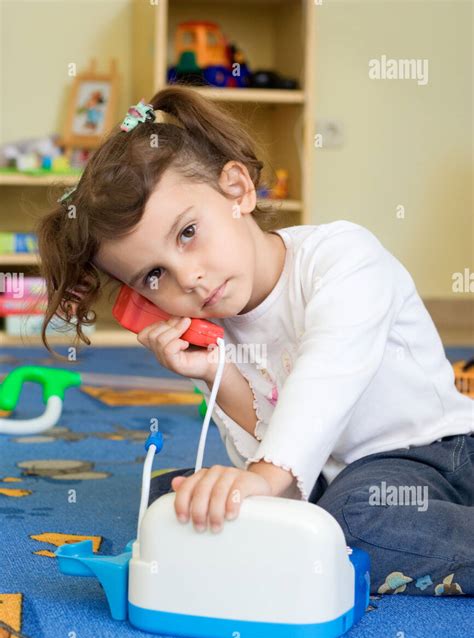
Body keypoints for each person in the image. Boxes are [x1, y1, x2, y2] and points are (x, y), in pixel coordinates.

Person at [37, 86, 474, 596]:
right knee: (171, 499)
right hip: (331, 474)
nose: (190, 279)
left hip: (434, 457)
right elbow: (267, 453)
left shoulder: (344, 258)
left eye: (187, 233)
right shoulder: (216, 324)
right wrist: (213, 373)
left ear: (238, 190)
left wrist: (265, 480)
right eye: (155, 276)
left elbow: (325, 379)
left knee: (354, 522)